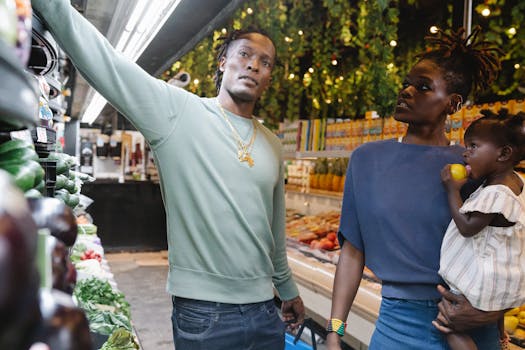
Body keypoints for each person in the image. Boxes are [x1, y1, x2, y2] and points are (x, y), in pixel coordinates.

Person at [30, 1, 305, 349]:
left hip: (266, 312)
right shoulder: (178, 112)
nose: (253, 64)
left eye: (265, 62)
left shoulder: (272, 145)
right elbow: (109, 65)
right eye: (245, 54)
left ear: (269, 77)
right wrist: (52, 7)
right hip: (205, 315)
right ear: (223, 62)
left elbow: (274, 230)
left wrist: (288, 289)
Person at [326, 27, 504, 350]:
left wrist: (496, 312)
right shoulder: (366, 160)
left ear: (453, 104)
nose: (407, 91)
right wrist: (334, 330)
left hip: (471, 325)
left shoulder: (474, 168)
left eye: (423, 87)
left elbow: (507, 250)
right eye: (406, 83)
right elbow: (352, 253)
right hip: (397, 325)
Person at [438, 109, 525, 350]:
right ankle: (500, 337)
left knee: (449, 326)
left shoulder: (495, 193)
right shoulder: (515, 181)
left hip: (481, 279)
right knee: (491, 308)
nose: (466, 152)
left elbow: (467, 228)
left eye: (474, 146)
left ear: (503, 154)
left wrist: (452, 190)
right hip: (501, 278)